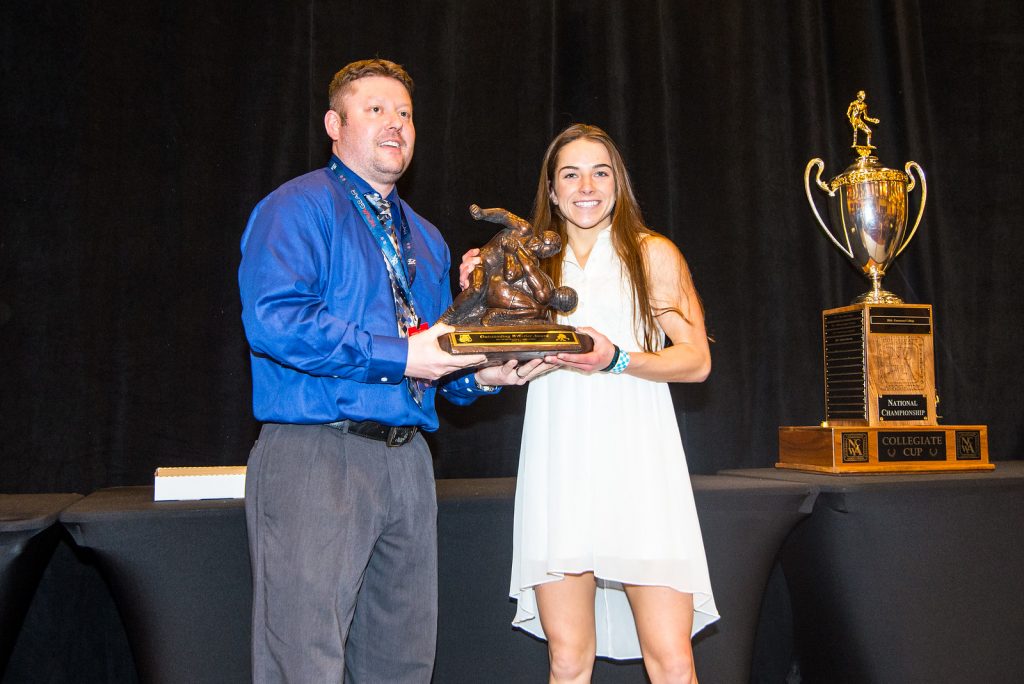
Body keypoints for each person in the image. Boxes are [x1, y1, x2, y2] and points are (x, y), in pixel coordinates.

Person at [237, 58, 544, 683]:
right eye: (375, 109)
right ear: (334, 123)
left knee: (403, 661)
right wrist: (406, 354)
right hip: (316, 456)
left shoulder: (427, 238)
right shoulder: (295, 208)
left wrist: (484, 376)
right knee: (304, 657)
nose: (395, 124)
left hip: (408, 464)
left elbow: (436, 360)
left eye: (404, 113)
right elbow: (275, 321)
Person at [462, 124, 719, 683]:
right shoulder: (525, 266)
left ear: (617, 185)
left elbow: (696, 361)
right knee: (567, 658)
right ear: (551, 190)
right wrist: (479, 298)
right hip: (560, 468)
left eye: (600, 172)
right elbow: (492, 362)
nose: (586, 186)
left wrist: (616, 360)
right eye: (570, 174)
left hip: (640, 468)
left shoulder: (651, 254)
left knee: (672, 658)